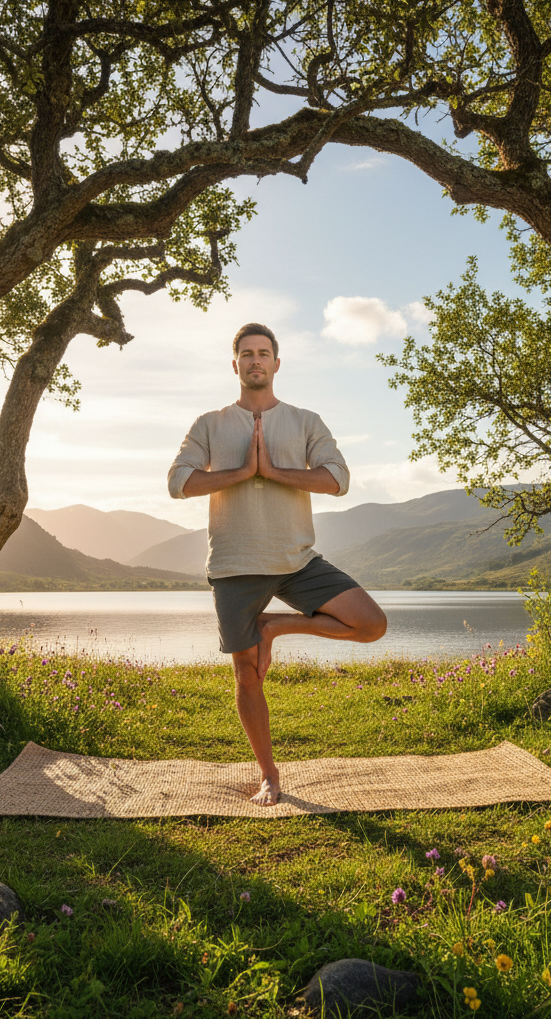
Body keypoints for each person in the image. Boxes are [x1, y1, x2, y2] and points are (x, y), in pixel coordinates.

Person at [168, 322, 387, 805]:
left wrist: (274, 473)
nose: (255, 361)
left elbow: (338, 479)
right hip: (234, 564)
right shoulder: (210, 423)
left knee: (371, 623)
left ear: (276, 363)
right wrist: (244, 472)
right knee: (248, 675)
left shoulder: (305, 421)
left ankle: (275, 626)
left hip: (296, 560)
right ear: (235, 364)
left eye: (263, 353)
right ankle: (269, 775)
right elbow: (179, 483)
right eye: (246, 354)